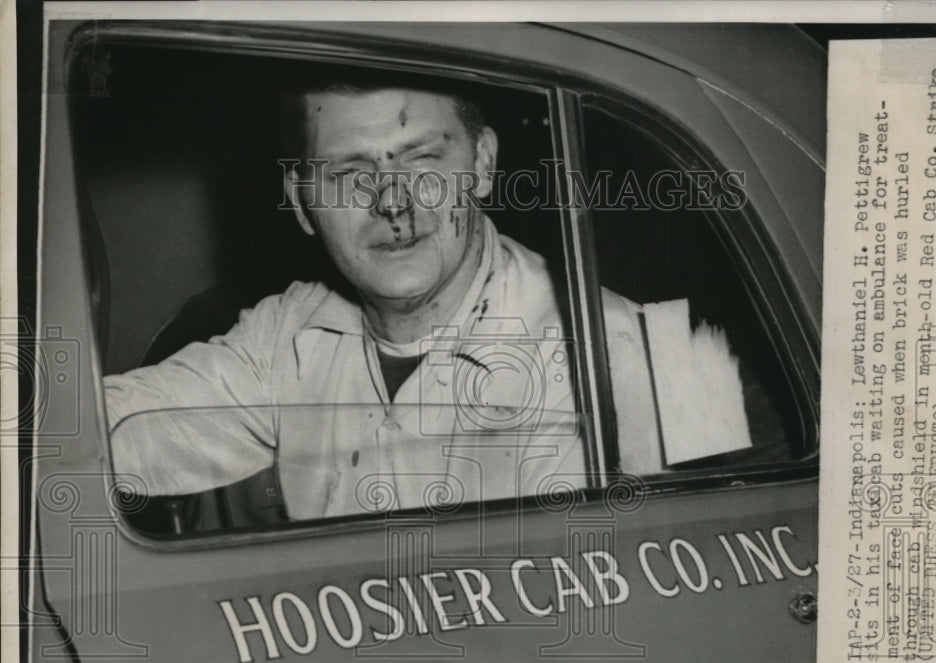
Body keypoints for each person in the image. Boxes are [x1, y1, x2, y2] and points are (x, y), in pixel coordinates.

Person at [103, 75, 583, 521]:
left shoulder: (592, 353)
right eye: (350, 173)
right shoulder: (286, 337)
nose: (392, 202)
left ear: (481, 164)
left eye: (421, 159)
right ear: (301, 202)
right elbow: (96, 434)